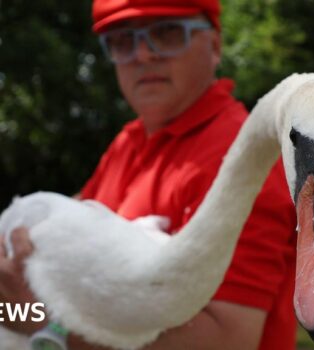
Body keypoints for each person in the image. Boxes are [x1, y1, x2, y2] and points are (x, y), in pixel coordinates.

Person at [0, 0, 298, 349]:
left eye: (168, 32)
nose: (142, 54)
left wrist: (41, 321)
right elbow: (50, 241)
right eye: (122, 40)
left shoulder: (238, 161)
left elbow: (228, 338)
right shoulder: (129, 143)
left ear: (214, 45)